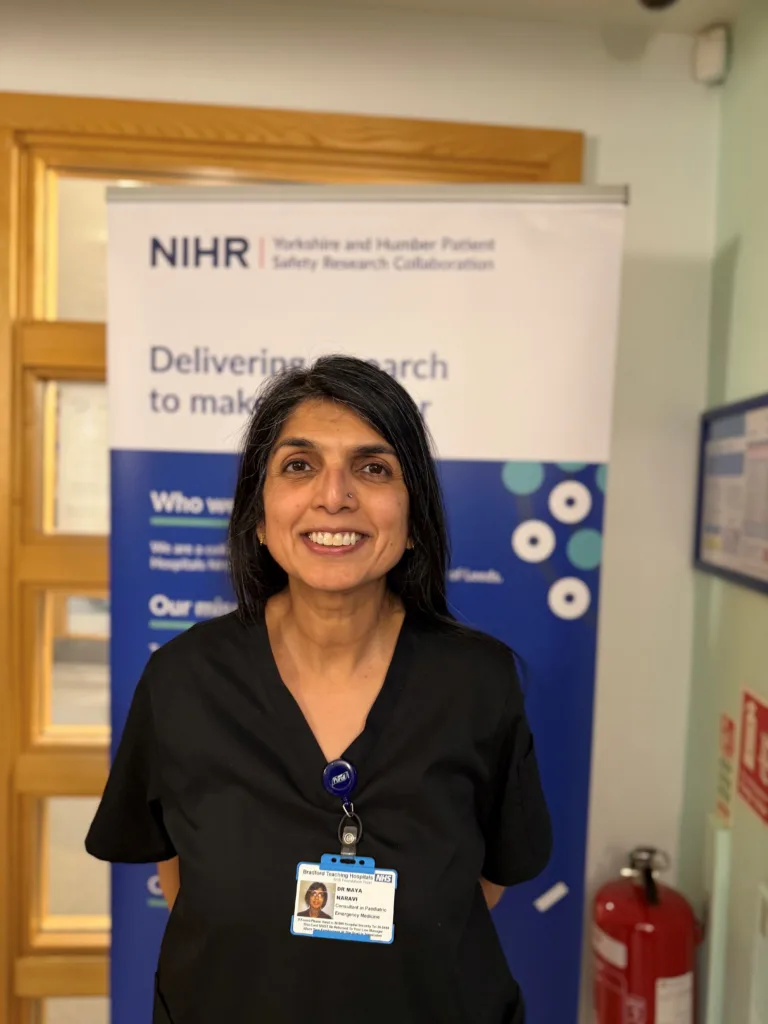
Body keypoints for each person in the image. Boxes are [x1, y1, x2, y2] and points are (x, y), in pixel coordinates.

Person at [85, 354, 552, 1024]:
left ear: (414, 517)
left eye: (373, 468)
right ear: (259, 513)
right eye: (299, 465)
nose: (334, 496)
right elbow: (180, 877)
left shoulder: (479, 682)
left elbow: (488, 881)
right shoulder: (183, 679)